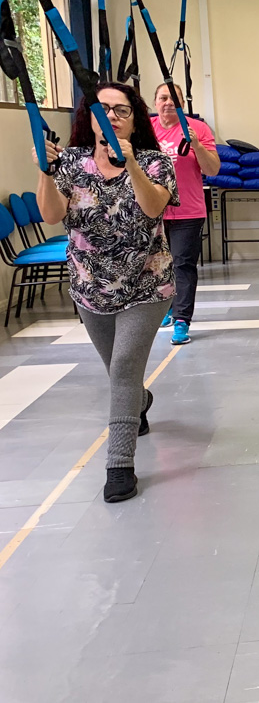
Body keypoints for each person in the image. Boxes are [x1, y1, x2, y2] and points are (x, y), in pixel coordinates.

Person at [32, 83, 177, 503]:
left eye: (122, 110)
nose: (112, 116)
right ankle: (139, 401)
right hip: (90, 286)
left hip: (148, 283)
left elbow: (153, 208)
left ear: (135, 119)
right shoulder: (70, 163)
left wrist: (129, 163)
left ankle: (119, 465)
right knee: (119, 373)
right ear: (90, 118)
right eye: (104, 109)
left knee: (125, 365)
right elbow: (51, 214)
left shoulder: (155, 162)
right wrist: (45, 171)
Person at [150, 83, 219, 345]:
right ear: (155, 102)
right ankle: (166, 307)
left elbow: (212, 170)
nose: (168, 102)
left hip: (188, 211)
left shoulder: (197, 128)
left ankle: (182, 319)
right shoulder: (145, 130)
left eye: (174, 98)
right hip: (153, 210)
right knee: (158, 265)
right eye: (163, 98)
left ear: (182, 103)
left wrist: (197, 146)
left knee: (182, 265)